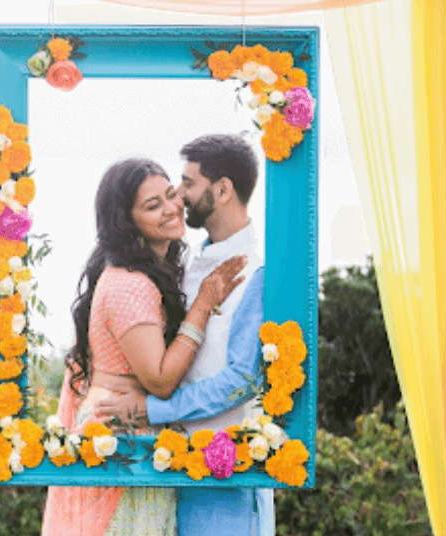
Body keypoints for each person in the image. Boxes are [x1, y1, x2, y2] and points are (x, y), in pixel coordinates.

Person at [40, 158, 247, 536]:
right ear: (126, 222)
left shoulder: (150, 274)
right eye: (153, 206)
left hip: (137, 436)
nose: (171, 209)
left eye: (171, 196)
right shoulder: (130, 284)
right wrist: (202, 305)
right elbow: (160, 380)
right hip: (119, 441)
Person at [95, 134, 274, 536]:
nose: (179, 196)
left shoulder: (256, 273)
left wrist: (155, 409)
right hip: (171, 471)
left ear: (223, 190)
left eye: (188, 184)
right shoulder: (188, 261)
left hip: (225, 481)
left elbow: (243, 380)